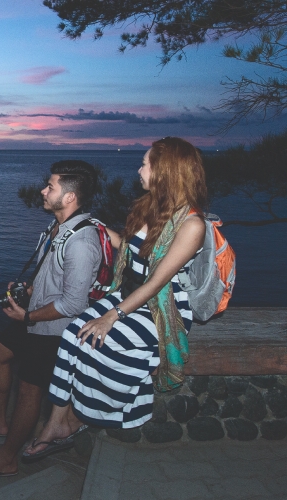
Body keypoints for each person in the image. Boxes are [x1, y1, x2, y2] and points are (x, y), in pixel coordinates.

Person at [22, 137, 207, 458]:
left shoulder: (192, 225)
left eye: (146, 164)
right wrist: (104, 231)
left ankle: (76, 419)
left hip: (160, 305)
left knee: (107, 348)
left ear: (166, 172)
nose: (140, 169)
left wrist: (111, 316)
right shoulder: (153, 206)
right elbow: (135, 251)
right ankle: (55, 422)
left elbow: (157, 281)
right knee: (71, 335)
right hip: (130, 293)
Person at [0, 160, 104, 479]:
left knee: (30, 390)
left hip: (53, 330)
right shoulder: (55, 229)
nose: (43, 190)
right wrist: (29, 288)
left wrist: (27, 315)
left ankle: (7, 458)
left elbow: (73, 302)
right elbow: (54, 278)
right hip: (33, 319)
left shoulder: (82, 242)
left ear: (69, 197)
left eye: (51, 186)